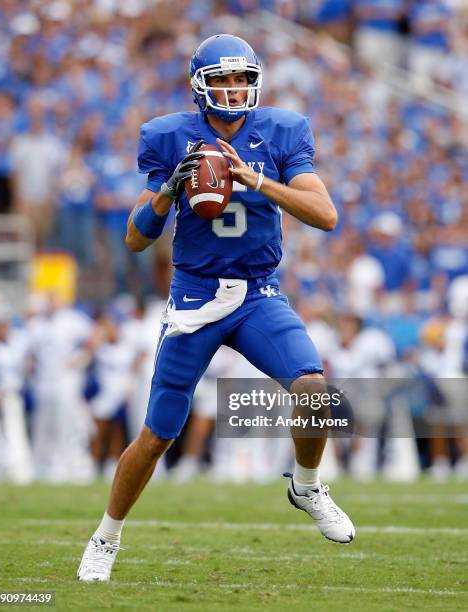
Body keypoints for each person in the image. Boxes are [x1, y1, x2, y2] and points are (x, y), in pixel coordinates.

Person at [77, 34, 355, 583]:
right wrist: (164, 196)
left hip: (257, 292)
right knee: (158, 432)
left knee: (313, 388)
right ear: (201, 85)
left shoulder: (281, 131)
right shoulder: (168, 136)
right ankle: (105, 538)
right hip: (196, 295)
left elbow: (325, 215)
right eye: (223, 79)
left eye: (241, 79)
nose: (234, 89)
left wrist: (256, 179)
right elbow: (135, 240)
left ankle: (306, 484)